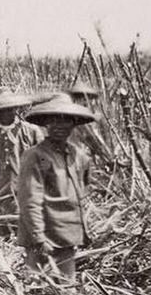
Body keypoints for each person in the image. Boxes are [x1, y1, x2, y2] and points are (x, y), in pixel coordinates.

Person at [17, 96, 97, 284]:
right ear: (45, 124)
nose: (60, 125)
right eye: (54, 120)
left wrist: (83, 229)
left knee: (66, 288)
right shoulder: (35, 156)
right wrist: (38, 237)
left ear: (74, 124)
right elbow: (29, 200)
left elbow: (84, 192)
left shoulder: (79, 155)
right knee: (36, 289)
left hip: (67, 234)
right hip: (43, 235)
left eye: (66, 120)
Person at [0, 90, 43, 238]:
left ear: (16, 109)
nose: (8, 113)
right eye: (3, 110)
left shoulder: (32, 132)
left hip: (25, 198)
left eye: (11, 108)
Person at [66, 80, 115, 167]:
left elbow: (100, 142)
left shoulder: (96, 118)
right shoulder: (69, 118)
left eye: (86, 99)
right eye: (79, 98)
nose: (84, 102)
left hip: (93, 161)